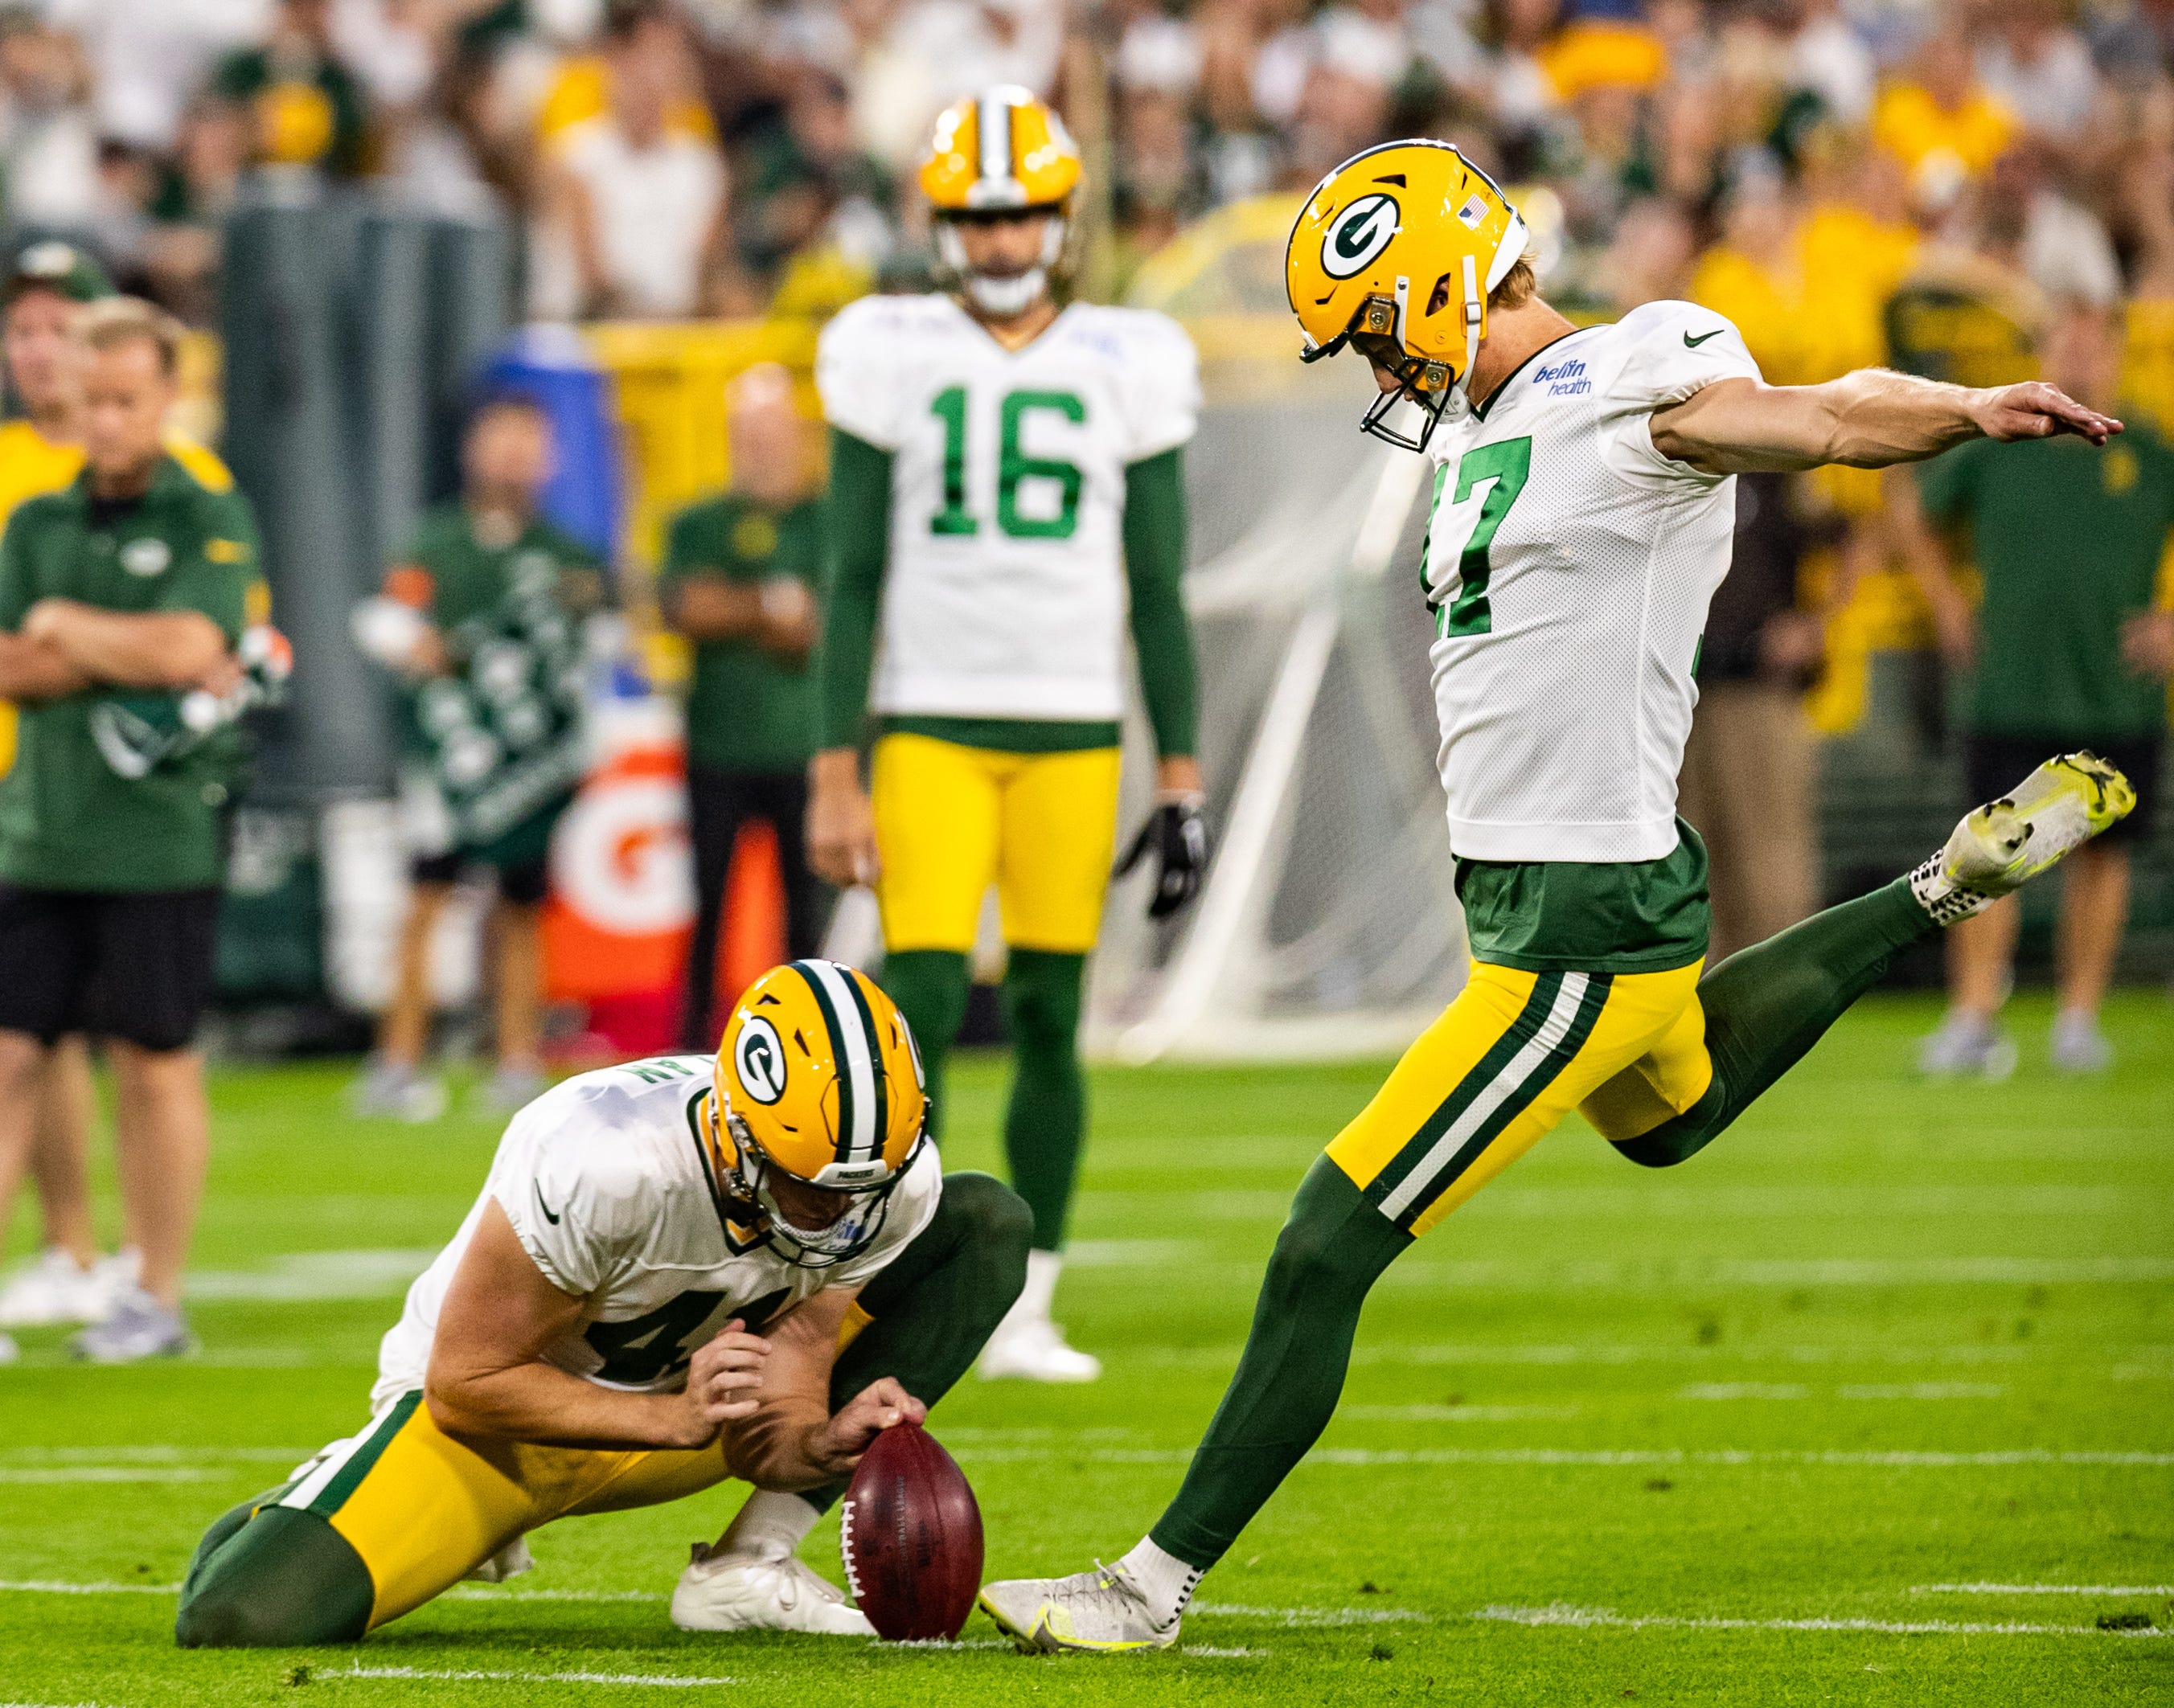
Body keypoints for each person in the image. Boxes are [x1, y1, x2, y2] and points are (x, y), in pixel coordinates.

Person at [977, 138, 2135, 1653]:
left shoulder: (1626, 377)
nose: (1379, 362)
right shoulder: (1486, 423)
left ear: (1453, 276)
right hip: (1554, 904)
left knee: (1326, 1239)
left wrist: (1960, 412)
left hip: (1577, 928)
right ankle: (1938, 885)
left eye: (1382, 321)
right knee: (1670, 1116)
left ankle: (1147, 1587)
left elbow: (1818, 413)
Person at [174, 959, 1032, 1646]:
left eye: (861, 1189)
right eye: (808, 1190)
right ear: (739, 1133)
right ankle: (324, 1496)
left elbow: (786, 1392)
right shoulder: (606, 1155)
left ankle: (747, 1562)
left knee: (983, 1220)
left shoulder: (892, 1183)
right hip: (505, 1430)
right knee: (239, 1615)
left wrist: (818, 1441)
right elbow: (466, 1381)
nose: (840, 1214)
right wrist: (673, 1420)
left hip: (696, 1407)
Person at [807, 87, 1210, 1384]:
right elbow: (850, 571)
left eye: (1018, 214)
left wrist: (1183, 769)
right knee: (915, 1001)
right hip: (927, 717)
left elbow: (1157, 584)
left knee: (1047, 1008)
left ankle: (1029, 1299)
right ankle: (895, 1270)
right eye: (975, 218)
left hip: (1072, 729)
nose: (995, 240)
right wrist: (834, 762)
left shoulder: (1129, 356)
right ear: (939, 223)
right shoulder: (886, 345)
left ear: (1060, 215)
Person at [0, 296, 265, 1365]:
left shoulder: (208, 506)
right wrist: (123, 645)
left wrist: (69, 627)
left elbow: (198, 641)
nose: (107, 419)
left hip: (159, 831)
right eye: (93, 398)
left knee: (154, 1057)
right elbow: (14, 664)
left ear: (165, 396)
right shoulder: (36, 522)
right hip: (43, 827)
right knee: (12, 1055)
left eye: (128, 398)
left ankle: (154, 1291)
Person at [1903, 301, 2174, 1075]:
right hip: (2009, 681)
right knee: (1988, 855)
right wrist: (1948, 605)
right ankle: (1974, 1015)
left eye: (2096, 340)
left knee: (2106, 856)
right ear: (2046, 348)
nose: (2083, 353)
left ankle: (2078, 1018)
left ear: (2121, 355)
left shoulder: (2150, 452)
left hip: (2114, 688)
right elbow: (1916, 516)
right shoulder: (1998, 443)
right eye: (2068, 336)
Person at [349, 393, 607, 1123]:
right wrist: (415, 645)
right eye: (502, 440)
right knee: (427, 898)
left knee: (521, 905)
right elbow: (384, 618)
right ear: (472, 448)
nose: (514, 456)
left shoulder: (566, 554)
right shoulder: (436, 542)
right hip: (451, 756)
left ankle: (517, 1057)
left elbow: (596, 642)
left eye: (529, 442)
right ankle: (397, 1059)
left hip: (525, 762)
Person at [661, 363, 827, 1051]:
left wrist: (736, 606)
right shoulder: (699, 521)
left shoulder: (828, 519)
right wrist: (768, 606)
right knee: (708, 906)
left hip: (808, 748)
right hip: (719, 747)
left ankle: (810, 1043)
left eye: (772, 430)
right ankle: (694, 1043)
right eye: (748, 432)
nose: (762, 446)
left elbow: (827, 623)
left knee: (806, 915)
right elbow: (685, 608)